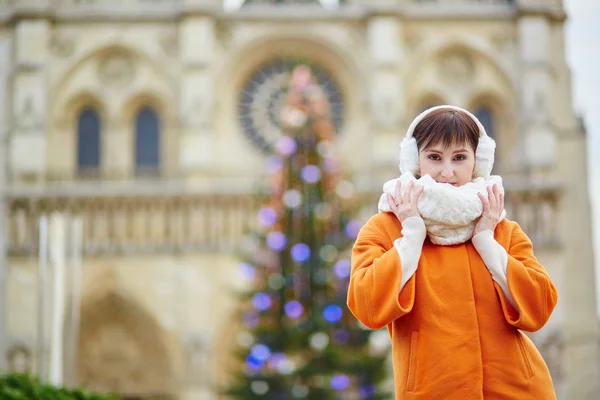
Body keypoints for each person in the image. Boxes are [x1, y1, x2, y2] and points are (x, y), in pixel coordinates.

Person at [347, 105, 558, 399]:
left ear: (478, 161)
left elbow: (540, 307)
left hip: (517, 391)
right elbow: (366, 305)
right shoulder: (385, 227)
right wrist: (412, 235)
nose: (447, 172)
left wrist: (485, 239)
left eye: (459, 158)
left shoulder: (502, 228)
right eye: (434, 157)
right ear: (415, 160)